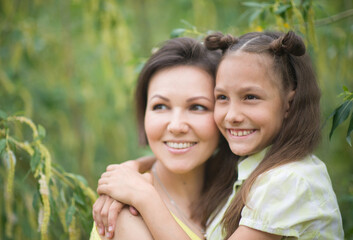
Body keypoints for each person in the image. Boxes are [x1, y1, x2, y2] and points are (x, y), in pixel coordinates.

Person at [97, 31, 344, 239]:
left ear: (289, 103)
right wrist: (130, 170)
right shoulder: (244, 172)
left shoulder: (288, 181)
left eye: (250, 97)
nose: (232, 115)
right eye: (222, 98)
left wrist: (144, 196)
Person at [90, 37, 237, 240]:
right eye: (160, 106)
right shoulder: (126, 212)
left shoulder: (240, 189)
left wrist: (136, 169)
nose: (176, 126)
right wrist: (145, 197)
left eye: (197, 107)